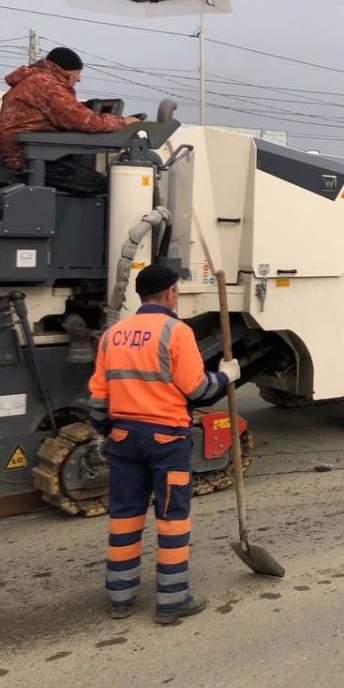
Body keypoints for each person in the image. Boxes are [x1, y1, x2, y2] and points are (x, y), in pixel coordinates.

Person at [85, 263, 241, 624]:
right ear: (170, 292)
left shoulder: (114, 333)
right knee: (172, 518)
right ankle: (172, 601)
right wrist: (226, 375)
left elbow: (97, 396)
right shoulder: (177, 332)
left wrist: (108, 431)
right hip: (166, 440)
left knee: (125, 515)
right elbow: (197, 389)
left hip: (124, 437)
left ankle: (120, 598)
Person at [0, 47, 141, 195]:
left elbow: (62, 113)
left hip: (24, 153)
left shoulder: (36, 80)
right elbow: (84, 121)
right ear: (64, 70)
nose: (79, 78)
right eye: (77, 72)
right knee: (108, 187)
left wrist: (81, 107)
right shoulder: (48, 84)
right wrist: (123, 123)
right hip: (29, 158)